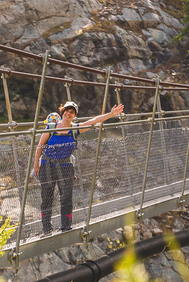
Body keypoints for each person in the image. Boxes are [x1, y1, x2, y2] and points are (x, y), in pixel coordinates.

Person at [32, 100, 125, 234]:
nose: (68, 114)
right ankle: (47, 228)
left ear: (74, 116)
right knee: (46, 197)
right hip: (47, 166)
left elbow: (94, 121)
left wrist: (111, 114)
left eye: (72, 112)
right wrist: (36, 164)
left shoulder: (75, 128)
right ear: (62, 112)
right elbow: (40, 146)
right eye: (66, 111)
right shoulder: (51, 127)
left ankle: (66, 226)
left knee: (66, 197)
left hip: (65, 166)